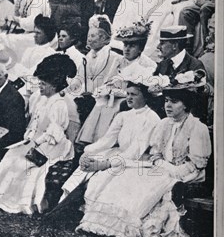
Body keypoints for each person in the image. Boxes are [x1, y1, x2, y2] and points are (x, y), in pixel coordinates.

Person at [76, 72, 211, 237]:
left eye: (174, 102)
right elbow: (155, 152)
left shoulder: (197, 128)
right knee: (127, 177)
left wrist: (172, 170)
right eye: (166, 101)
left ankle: (131, 225)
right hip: (160, 167)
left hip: (187, 172)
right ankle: (107, 223)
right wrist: (159, 163)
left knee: (150, 184)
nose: (168, 106)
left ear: (186, 106)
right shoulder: (164, 124)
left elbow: (197, 164)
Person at [0, 54, 76, 214]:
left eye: (42, 84)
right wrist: (28, 138)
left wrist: (35, 143)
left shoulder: (59, 104)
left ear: (53, 85)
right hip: (37, 140)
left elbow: (54, 134)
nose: (39, 87)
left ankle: (19, 203)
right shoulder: (42, 100)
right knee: (10, 157)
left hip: (52, 145)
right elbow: (34, 124)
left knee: (22, 165)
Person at [59, 70, 161, 202]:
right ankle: (64, 204)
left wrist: (104, 164)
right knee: (83, 168)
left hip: (137, 160)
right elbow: (107, 141)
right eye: (128, 94)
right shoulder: (123, 116)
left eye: (134, 95)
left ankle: (80, 207)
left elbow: (135, 151)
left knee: (102, 177)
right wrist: (87, 152)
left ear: (146, 97)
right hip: (119, 153)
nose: (129, 98)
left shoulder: (152, 118)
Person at [77, 18, 156, 144]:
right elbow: (110, 80)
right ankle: (91, 139)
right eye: (125, 45)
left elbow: (144, 87)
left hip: (133, 97)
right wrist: (107, 89)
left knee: (115, 107)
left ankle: (107, 141)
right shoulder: (118, 60)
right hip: (114, 95)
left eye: (132, 46)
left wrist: (120, 92)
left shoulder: (147, 64)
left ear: (140, 48)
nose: (127, 49)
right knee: (101, 103)